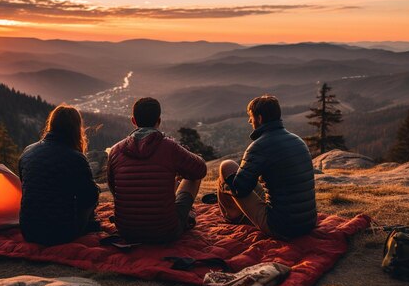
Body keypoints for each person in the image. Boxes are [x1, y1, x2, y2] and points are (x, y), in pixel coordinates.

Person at [107, 97, 207, 243]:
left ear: (133, 121)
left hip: (126, 231)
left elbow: (113, 187)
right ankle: (184, 213)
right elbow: (201, 170)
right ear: (158, 121)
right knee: (193, 175)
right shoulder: (169, 147)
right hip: (165, 232)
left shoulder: (116, 150)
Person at [218, 95, 316, 239]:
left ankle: (231, 215)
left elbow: (240, 189)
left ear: (260, 118)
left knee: (226, 166)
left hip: (281, 227)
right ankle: (233, 211)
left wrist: (226, 183)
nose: (249, 121)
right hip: (308, 222)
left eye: (251, 117)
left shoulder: (259, 147)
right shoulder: (298, 140)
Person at [18, 104, 100, 246]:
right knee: (92, 194)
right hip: (61, 233)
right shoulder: (75, 158)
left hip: (29, 230)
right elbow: (90, 197)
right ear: (76, 128)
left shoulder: (28, 152)